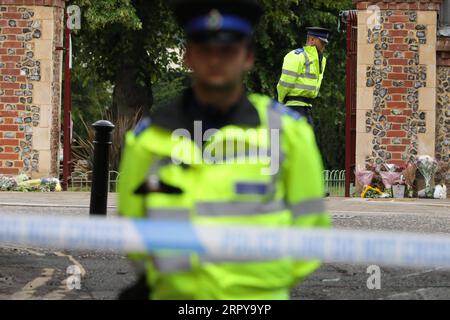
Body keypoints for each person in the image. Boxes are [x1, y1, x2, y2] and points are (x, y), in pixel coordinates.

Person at [118, 0, 330, 300]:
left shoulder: (290, 135)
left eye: (228, 51)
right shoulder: (149, 139)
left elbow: (310, 227)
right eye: (205, 50)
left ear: (248, 57)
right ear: (188, 56)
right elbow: (132, 229)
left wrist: (258, 289)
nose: (216, 60)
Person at [276, 27, 330, 127]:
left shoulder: (321, 60)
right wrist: (280, 101)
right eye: (322, 42)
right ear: (312, 40)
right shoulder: (296, 56)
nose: (325, 45)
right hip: (293, 108)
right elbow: (285, 83)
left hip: (307, 108)